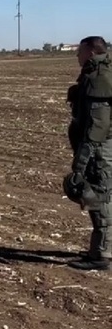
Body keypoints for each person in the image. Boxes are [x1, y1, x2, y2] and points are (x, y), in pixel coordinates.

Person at [64, 36, 112, 271]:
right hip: (99, 146)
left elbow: (97, 127)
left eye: (80, 51)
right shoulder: (98, 73)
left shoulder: (99, 79)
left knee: (98, 195)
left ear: (91, 52)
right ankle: (99, 249)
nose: (77, 56)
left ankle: (101, 254)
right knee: (101, 194)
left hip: (99, 149)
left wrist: (81, 162)